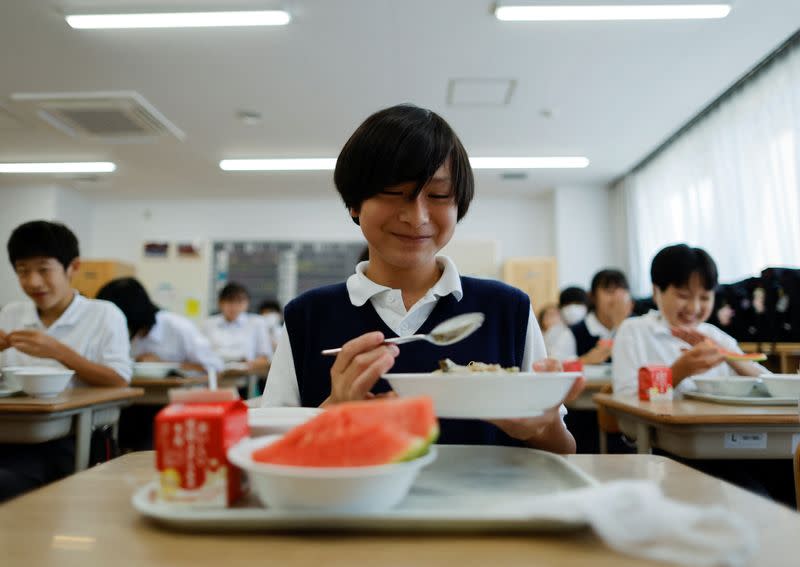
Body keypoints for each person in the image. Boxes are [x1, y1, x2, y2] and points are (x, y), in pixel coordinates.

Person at [262, 103, 583, 453]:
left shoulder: (508, 309)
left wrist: (544, 425)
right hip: (347, 508)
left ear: (459, 204)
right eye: (393, 192)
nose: (416, 217)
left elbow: (562, 451)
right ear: (354, 203)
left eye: (438, 195)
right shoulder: (307, 316)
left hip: (485, 507)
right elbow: (266, 451)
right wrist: (332, 410)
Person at [0, 220, 132, 501]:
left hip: (71, 438)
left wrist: (59, 352)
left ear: (73, 267)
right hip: (10, 431)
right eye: (23, 272)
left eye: (44, 269)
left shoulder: (104, 314)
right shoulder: (11, 313)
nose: (33, 282)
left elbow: (120, 380)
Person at [613, 244, 766, 396]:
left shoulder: (716, 337)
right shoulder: (633, 331)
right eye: (683, 296)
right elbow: (625, 400)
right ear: (656, 291)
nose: (694, 308)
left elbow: (771, 387)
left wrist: (730, 357)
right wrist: (677, 372)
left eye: (704, 298)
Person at [96, 277, 223, 373]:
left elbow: (215, 366)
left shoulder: (177, 326)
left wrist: (163, 364)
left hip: (179, 401)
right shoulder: (123, 332)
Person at [549, 269, 633, 364]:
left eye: (622, 292)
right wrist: (585, 360)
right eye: (610, 291)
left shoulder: (636, 327)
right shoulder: (574, 333)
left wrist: (620, 325)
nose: (617, 299)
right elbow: (555, 367)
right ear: (593, 297)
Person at [202, 282, 271, 376]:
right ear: (220, 303)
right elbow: (202, 354)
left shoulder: (256, 323)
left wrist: (246, 365)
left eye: (239, 302)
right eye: (229, 301)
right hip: (214, 375)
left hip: (246, 378)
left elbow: (265, 358)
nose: (234, 306)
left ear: (247, 303)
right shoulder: (209, 324)